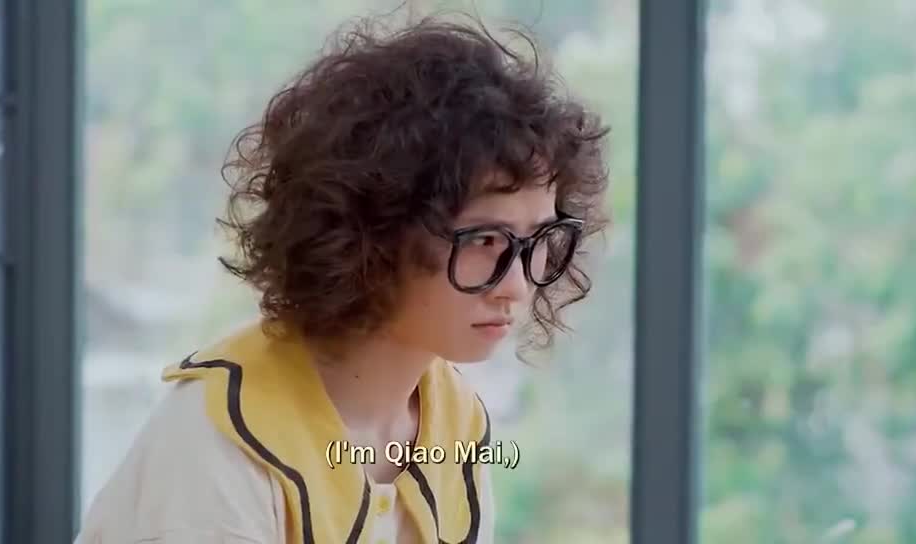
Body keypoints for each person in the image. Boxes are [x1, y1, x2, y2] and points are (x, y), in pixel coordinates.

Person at [75, 13, 609, 544]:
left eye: (540, 239)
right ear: (375, 230)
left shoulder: (454, 419)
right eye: (485, 240)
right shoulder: (221, 437)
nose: (516, 285)